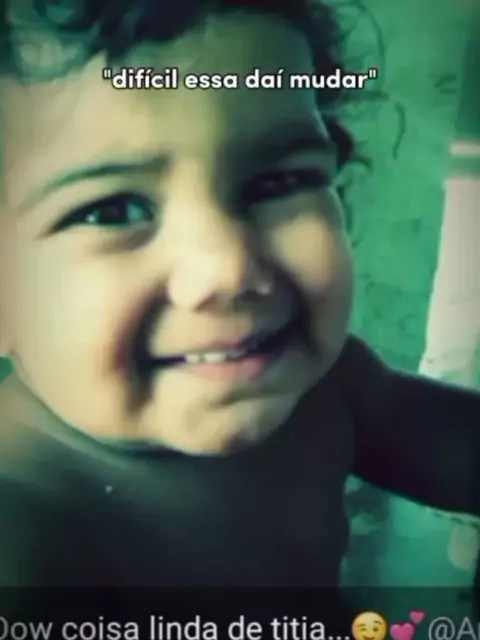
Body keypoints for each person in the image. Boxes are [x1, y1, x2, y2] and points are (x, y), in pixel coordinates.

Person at [0, 0, 478, 591]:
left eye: (279, 182)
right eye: (111, 211)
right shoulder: (24, 537)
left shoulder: (331, 389)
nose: (228, 270)